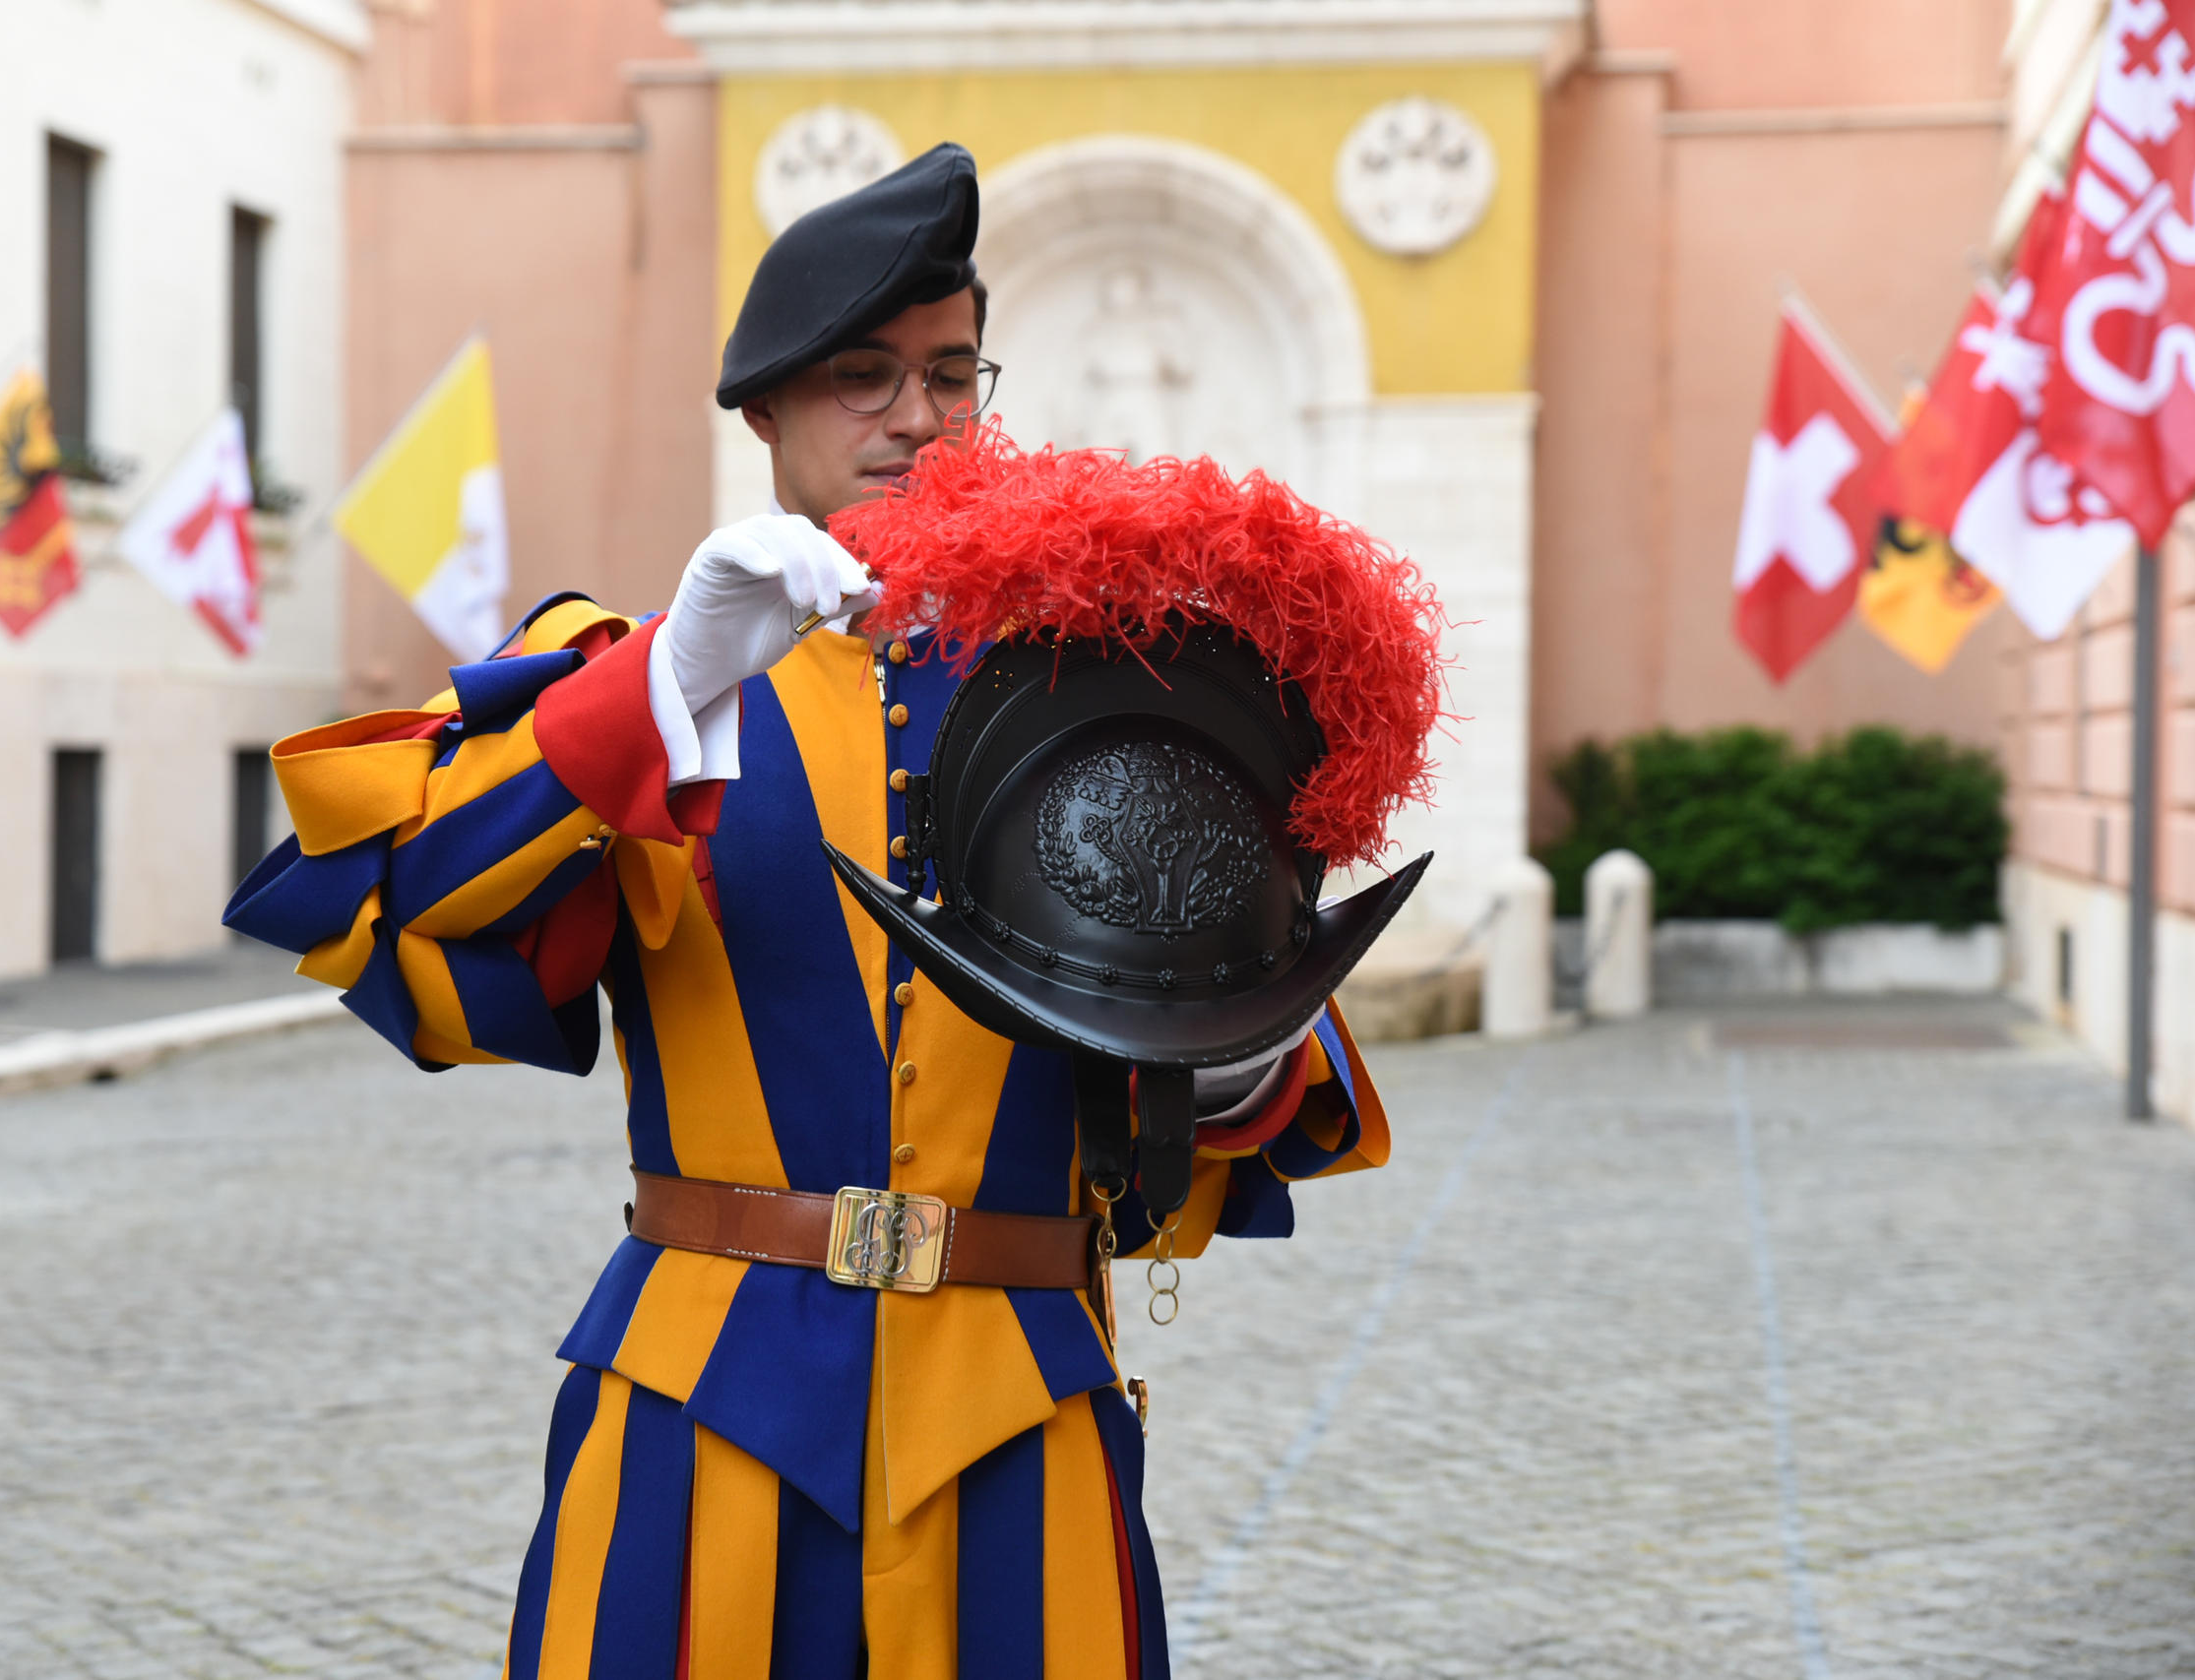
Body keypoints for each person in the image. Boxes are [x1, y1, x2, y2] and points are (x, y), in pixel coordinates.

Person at [225, 143, 1395, 1680]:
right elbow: (396, 905)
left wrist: (1226, 1047)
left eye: (952, 372)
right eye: (864, 374)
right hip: (702, 1411)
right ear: (763, 407)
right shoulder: (637, 678)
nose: (917, 415)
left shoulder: (1113, 699)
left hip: (1020, 1413)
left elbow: (1250, 1076)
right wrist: (659, 686)